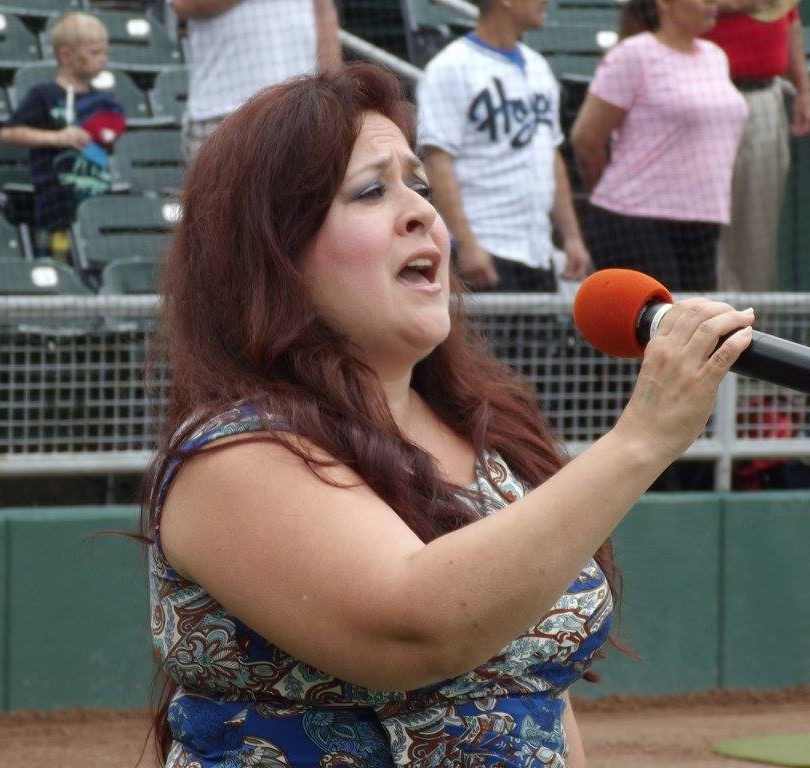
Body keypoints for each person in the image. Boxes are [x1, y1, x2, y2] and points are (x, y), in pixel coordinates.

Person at [142, 62, 753, 766]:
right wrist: (642, 439)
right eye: (371, 191)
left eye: (420, 186)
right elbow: (416, 631)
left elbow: (534, 687)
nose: (421, 213)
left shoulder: (484, 436)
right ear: (272, 255)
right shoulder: (234, 456)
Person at [570, 0, 747, 293]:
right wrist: (618, 196)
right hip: (633, 220)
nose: (714, 3)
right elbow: (586, 138)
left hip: (703, 220)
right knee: (655, 331)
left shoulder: (716, 56)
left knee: (697, 329)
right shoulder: (634, 53)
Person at [416, 0, 590, 292]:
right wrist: (467, 244)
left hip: (537, 249)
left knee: (538, 338)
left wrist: (571, 236)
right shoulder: (449, 68)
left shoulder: (538, 66)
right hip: (485, 246)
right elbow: (437, 161)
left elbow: (550, 155)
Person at [704, 0, 810, 291]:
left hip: (761, 95)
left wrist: (803, 88)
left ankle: (747, 325)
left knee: (755, 229)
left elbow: (789, 21)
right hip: (697, 97)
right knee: (693, 225)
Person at [0, 12, 125, 262]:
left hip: (98, 199)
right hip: (55, 202)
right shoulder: (43, 95)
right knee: (58, 260)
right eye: (94, 53)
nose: (103, 60)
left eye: (105, 52)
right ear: (66, 54)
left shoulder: (106, 101)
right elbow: (9, 133)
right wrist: (57, 137)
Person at [171, 0, 342, 162]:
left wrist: (335, 96)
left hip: (306, 112)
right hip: (224, 116)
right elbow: (185, 5)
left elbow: (323, 12)